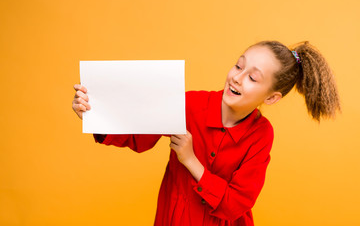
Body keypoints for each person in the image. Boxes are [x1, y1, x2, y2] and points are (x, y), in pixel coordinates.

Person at [72, 40, 340, 226]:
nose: (236, 77)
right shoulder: (190, 104)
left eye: (252, 77)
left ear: (271, 98)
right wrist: (95, 115)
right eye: (238, 65)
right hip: (173, 218)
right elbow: (139, 137)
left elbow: (237, 203)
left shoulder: (261, 135)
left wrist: (190, 160)